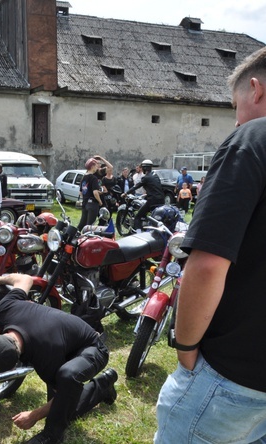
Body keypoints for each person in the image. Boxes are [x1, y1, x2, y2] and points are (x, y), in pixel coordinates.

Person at [155, 46, 266, 443]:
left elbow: (206, 264)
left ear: (255, 91)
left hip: (233, 376)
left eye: (236, 106)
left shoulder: (252, 138)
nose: (237, 119)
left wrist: (185, 351)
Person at [0, 273, 117, 444]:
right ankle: (103, 385)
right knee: (64, 406)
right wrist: (0, 279)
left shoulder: (45, 355)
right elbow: (25, 280)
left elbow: (62, 395)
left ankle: (52, 436)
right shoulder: (5, 308)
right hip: (66, 342)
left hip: (93, 348)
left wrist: (35, 415)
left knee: (66, 382)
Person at [125, 159, 165, 231]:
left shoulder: (146, 177)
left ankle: (138, 233)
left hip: (152, 201)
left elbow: (136, 186)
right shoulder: (155, 175)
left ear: (145, 168)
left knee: (138, 217)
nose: (141, 168)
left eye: (142, 167)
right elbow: (155, 187)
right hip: (161, 200)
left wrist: (126, 193)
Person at [77, 157, 103, 231]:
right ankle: (87, 239)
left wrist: (86, 197)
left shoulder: (83, 177)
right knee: (90, 225)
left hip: (85, 203)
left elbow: (81, 192)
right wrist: (100, 202)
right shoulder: (93, 178)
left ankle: (74, 236)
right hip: (92, 204)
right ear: (92, 167)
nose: (97, 167)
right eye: (95, 166)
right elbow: (95, 192)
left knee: (82, 223)